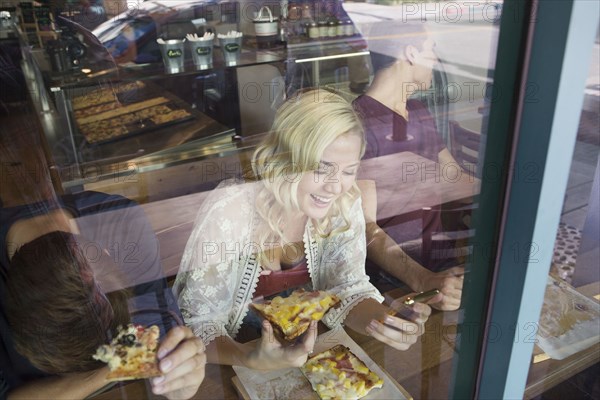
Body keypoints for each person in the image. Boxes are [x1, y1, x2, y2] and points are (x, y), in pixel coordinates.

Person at [173, 88, 437, 371]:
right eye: (321, 169)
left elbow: (348, 288)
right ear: (287, 159)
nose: (335, 187)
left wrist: (384, 319)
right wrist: (250, 358)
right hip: (229, 368)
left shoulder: (344, 202)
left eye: (349, 171)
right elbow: (199, 324)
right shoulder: (231, 210)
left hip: (310, 361)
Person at [0, 188, 206, 399]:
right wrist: (119, 363)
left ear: (107, 252)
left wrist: (177, 374)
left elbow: (159, 338)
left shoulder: (119, 223)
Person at [352, 20, 464, 309]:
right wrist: (424, 280)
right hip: (396, 280)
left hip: (444, 265)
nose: (436, 60)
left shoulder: (418, 109)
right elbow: (365, 228)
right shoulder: (360, 123)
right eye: (432, 50)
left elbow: (455, 178)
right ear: (411, 54)